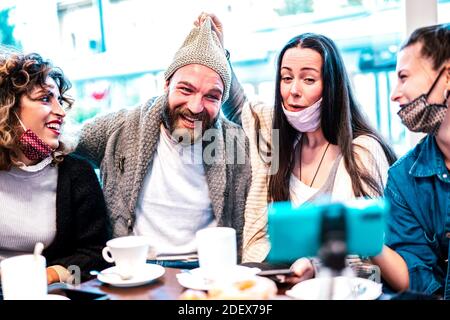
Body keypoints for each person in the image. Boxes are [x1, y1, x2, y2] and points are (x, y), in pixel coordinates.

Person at [196, 13, 407, 291]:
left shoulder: (361, 152)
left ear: (331, 87)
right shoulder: (277, 139)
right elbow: (239, 108)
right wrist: (217, 47)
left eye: (308, 80)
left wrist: (313, 266)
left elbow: (365, 253)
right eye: (286, 78)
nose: (293, 91)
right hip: (274, 280)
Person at [74, 17, 251, 268]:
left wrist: (222, 56)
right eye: (186, 90)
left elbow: (260, 123)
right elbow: (62, 143)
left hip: (209, 270)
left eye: (211, 96)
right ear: (166, 84)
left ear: (222, 101)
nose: (195, 106)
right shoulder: (121, 128)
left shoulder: (236, 143)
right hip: (136, 270)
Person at [0, 48, 110, 284]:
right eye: (44, 98)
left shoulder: (76, 174)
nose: (60, 112)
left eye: (59, 100)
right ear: (7, 106)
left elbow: (97, 255)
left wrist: (49, 275)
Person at [385, 23, 450, 298]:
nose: (394, 94)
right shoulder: (403, 179)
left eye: (403, 77)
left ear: (447, 77)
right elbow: (422, 282)